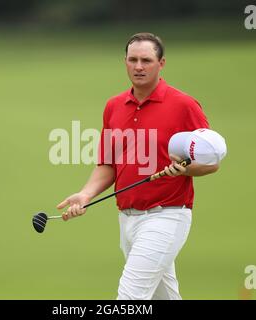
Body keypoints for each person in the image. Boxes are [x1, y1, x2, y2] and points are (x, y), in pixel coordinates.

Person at [56, 33, 220, 300]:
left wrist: (187, 169)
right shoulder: (113, 106)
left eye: (146, 60)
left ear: (161, 63)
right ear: (125, 62)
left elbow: (211, 160)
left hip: (167, 215)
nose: (139, 66)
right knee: (161, 297)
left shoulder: (183, 105)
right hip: (127, 219)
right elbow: (108, 164)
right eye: (133, 60)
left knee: (130, 298)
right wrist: (85, 195)